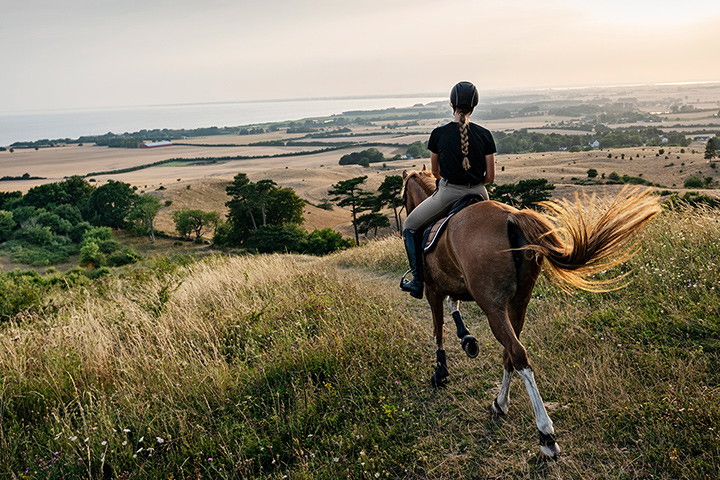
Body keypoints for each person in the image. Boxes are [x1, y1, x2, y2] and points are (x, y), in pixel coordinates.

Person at [400, 81, 497, 299]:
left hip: (448, 193)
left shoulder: (438, 134)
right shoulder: (485, 135)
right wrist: (474, 184)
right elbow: (490, 177)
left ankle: (417, 281)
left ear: (451, 104)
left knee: (410, 226)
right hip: (480, 194)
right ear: (475, 106)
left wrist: (454, 184)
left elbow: (435, 173)